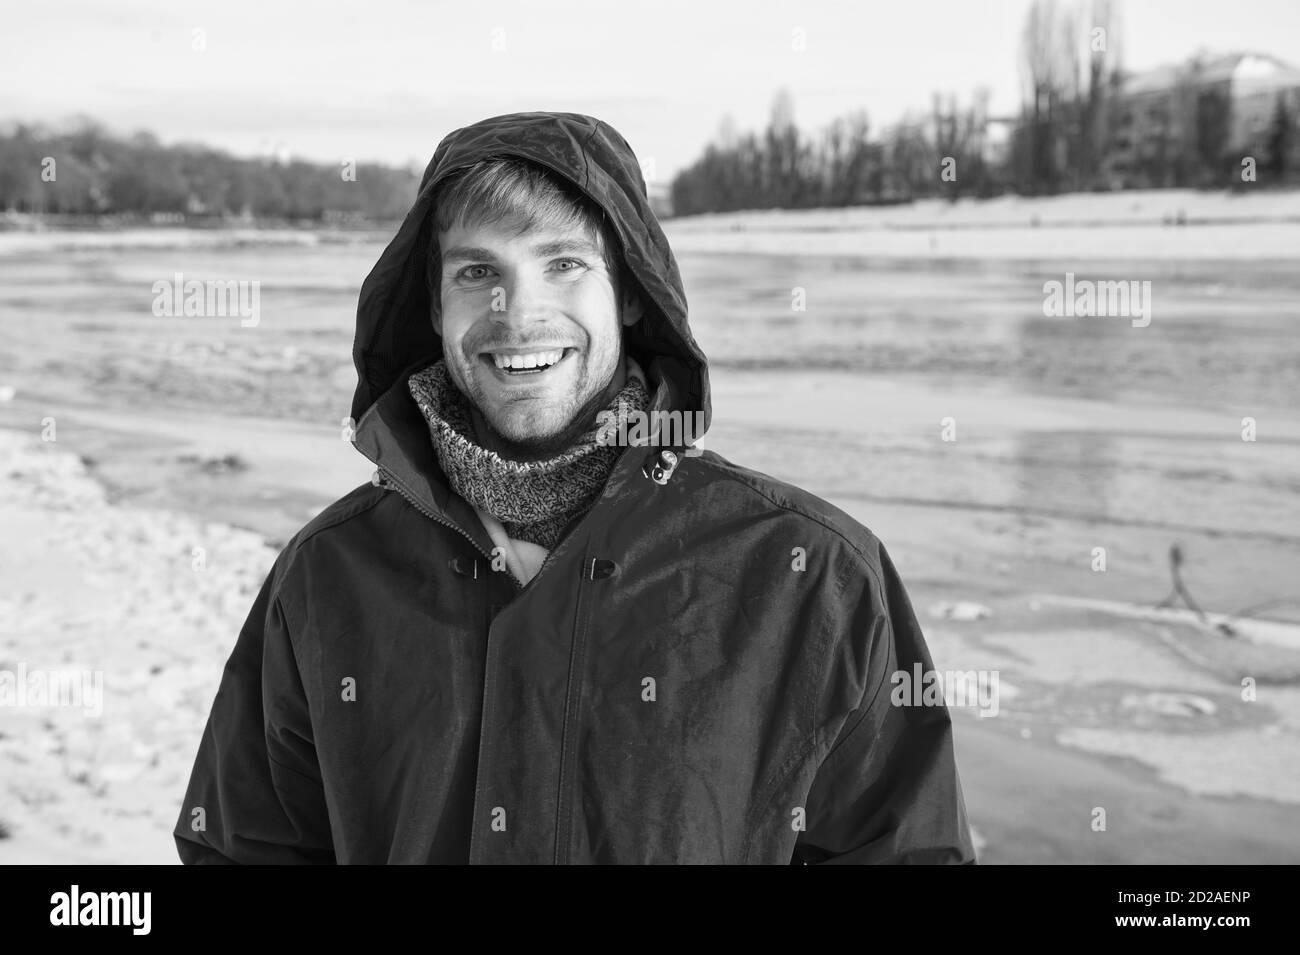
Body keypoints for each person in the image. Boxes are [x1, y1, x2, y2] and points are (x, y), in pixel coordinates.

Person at [173, 111, 977, 864]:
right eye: (477, 271)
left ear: (629, 291)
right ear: (433, 303)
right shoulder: (327, 574)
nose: (517, 313)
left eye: (563, 264)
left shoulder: (810, 572)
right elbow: (243, 846)